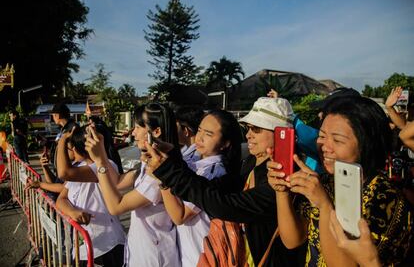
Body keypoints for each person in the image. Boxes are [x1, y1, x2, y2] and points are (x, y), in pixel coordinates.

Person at [144, 97, 308, 267]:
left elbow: (225, 205)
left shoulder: (283, 177)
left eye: (256, 129)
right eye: (248, 128)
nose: (248, 135)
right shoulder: (250, 164)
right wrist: (172, 161)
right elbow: (214, 190)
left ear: (282, 135)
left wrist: (169, 172)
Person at [267, 96, 413, 266]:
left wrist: (325, 206)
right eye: (321, 136)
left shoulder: (384, 197)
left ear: (366, 144)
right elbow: (293, 240)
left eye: (337, 140)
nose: (325, 147)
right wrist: (282, 190)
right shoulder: (324, 182)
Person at [85, 103, 180, 267]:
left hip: (153, 257)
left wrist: (100, 161)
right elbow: (117, 181)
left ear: (156, 132)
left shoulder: (159, 175)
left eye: (137, 127)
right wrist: (100, 151)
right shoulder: (149, 164)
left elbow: (116, 206)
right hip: (142, 250)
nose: (133, 133)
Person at [162, 109, 241, 266]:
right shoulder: (195, 159)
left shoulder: (214, 171)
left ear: (225, 143)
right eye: (199, 130)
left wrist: (163, 178)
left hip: (201, 255)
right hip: (190, 255)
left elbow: (180, 216)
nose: (200, 137)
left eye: (209, 134)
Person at [56, 126, 125, 266]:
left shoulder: (105, 166)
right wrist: (72, 211)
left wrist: (62, 140)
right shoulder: (80, 166)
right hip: (85, 244)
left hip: (107, 244)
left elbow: (63, 172)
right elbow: (61, 199)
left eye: (72, 147)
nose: (72, 150)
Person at [49, 102, 78, 171]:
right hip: (62, 167)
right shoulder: (64, 128)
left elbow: (73, 153)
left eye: (53, 116)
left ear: (57, 116)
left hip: (68, 168)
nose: (53, 118)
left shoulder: (72, 129)